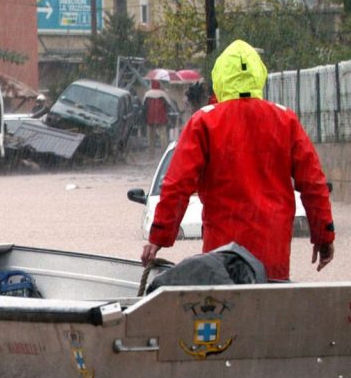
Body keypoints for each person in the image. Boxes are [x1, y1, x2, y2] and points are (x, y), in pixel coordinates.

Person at [141, 40, 335, 281]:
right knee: (267, 313)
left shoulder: (205, 122)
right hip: (272, 252)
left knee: (223, 313)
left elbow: (177, 185)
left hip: (222, 255)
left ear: (220, 77)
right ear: (259, 74)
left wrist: (158, 237)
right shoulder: (285, 120)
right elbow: (314, 183)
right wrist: (324, 235)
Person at [143, 79, 176, 157]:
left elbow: (144, 106)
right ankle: (164, 152)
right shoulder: (163, 94)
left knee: (151, 136)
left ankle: (151, 153)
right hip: (161, 118)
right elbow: (169, 105)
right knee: (163, 135)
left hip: (150, 118)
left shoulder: (147, 94)